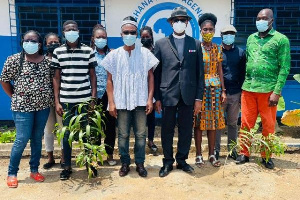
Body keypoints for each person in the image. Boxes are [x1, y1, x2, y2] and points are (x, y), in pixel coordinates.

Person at [101, 16, 159, 177]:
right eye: (126, 32)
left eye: (132, 32)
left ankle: (140, 163)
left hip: (140, 101)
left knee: (141, 134)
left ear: (137, 35)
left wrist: (150, 99)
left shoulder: (145, 54)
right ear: (121, 34)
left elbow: (151, 78)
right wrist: (111, 103)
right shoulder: (114, 55)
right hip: (121, 102)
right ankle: (125, 162)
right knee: (123, 134)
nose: (129, 35)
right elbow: (109, 81)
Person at [236, 8, 291, 169]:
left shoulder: (281, 40)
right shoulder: (251, 38)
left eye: (264, 18)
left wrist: (277, 91)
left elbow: (284, 67)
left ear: (271, 21)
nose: (260, 21)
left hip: (268, 91)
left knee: (268, 125)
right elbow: (247, 62)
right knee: (246, 123)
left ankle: (266, 156)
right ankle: (244, 153)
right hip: (248, 88)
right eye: (258, 18)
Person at [154, 7, 204, 177]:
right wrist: (157, 98)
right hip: (168, 94)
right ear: (170, 23)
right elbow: (157, 72)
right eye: (177, 20)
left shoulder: (195, 44)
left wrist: (198, 98)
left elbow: (200, 74)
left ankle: (182, 160)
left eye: (183, 20)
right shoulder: (161, 44)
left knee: (185, 129)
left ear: (188, 22)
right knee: (166, 129)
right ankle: (167, 161)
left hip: (188, 95)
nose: (180, 23)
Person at [0, 30, 52, 188]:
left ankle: (34, 170)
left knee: (37, 139)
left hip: (43, 107)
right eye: (26, 40)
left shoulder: (47, 62)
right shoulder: (14, 60)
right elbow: (4, 80)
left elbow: (53, 82)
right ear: (22, 42)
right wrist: (15, 96)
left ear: (40, 44)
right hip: (22, 107)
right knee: (21, 139)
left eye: (33, 40)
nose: (30, 43)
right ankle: (12, 173)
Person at [52, 20, 97, 180]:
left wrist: (93, 98)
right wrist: (57, 101)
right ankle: (66, 166)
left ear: (78, 31)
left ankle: (89, 163)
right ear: (63, 33)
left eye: (74, 29)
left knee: (86, 132)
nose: (71, 32)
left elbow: (92, 75)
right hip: (66, 100)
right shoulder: (58, 52)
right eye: (68, 30)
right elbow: (56, 78)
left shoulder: (88, 51)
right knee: (67, 134)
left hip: (84, 100)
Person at [194, 13, 226, 168]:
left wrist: (223, 90)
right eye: (205, 29)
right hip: (200, 91)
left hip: (214, 90)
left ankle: (212, 154)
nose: (207, 32)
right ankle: (199, 154)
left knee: (212, 123)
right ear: (200, 31)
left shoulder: (218, 49)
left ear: (214, 31)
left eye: (210, 29)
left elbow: (220, 70)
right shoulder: (196, 48)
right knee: (199, 123)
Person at [214, 25, 246, 160]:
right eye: (226, 33)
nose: (229, 36)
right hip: (218, 93)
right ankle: (215, 150)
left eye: (231, 34)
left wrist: (242, 94)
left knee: (233, 123)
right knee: (217, 123)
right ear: (221, 35)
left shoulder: (240, 53)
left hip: (235, 93)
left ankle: (232, 150)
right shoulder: (216, 52)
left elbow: (243, 74)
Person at [91, 24, 117, 166]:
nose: (101, 39)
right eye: (98, 37)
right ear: (93, 39)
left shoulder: (112, 54)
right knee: (94, 126)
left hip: (109, 95)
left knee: (110, 127)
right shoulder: (89, 54)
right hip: (94, 95)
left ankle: (110, 154)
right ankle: (95, 155)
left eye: (104, 37)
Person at [43, 32, 64, 169]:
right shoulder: (43, 60)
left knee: (62, 127)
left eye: (56, 42)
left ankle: (63, 156)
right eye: (50, 43)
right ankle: (50, 158)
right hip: (46, 100)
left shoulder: (63, 59)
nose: (53, 45)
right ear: (45, 45)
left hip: (62, 98)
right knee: (48, 129)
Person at [140, 26, 158, 155]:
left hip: (154, 87)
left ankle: (150, 140)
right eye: (143, 37)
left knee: (151, 117)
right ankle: (140, 141)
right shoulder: (137, 52)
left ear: (152, 36)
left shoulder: (157, 51)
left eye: (147, 36)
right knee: (140, 117)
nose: (145, 39)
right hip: (140, 88)